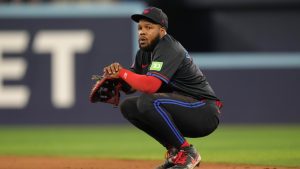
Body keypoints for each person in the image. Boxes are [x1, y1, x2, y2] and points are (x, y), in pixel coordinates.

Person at [103, 7, 222, 169]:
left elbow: (150, 86)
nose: (142, 32)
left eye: (149, 28)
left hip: (203, 111)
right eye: (140, 28)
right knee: (128, 106)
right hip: (181, 109)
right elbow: (131, 85)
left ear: (162, 31)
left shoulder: (169, 47)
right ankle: (175, 152)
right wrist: (116, 81)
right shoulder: (143, 53)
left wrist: (122, 73)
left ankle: (188, 152)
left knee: (148, 101)